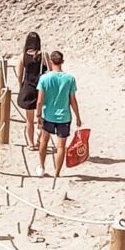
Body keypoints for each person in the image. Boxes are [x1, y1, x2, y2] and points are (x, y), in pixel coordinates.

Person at [36, 50, 82, 179]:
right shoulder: (70, 79)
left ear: (50, 61)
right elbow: (73, 100)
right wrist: (78, 116)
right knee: (61, 146)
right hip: (64, 116)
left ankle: (41, 165)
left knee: (43, 141)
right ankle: (57, 173)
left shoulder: (44, 78)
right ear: (62, 62)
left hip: (48, 115)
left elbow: (40, 100)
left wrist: (38, 115)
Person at [16, 31, 47, 151]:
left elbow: (19, 75)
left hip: (28, 88)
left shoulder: (22, 56)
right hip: (41, 89)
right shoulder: (44, 55)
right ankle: (40, 139)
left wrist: (20, 86)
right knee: (41, 117)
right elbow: (50, 69)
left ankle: (31, 143)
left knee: (29, 120)